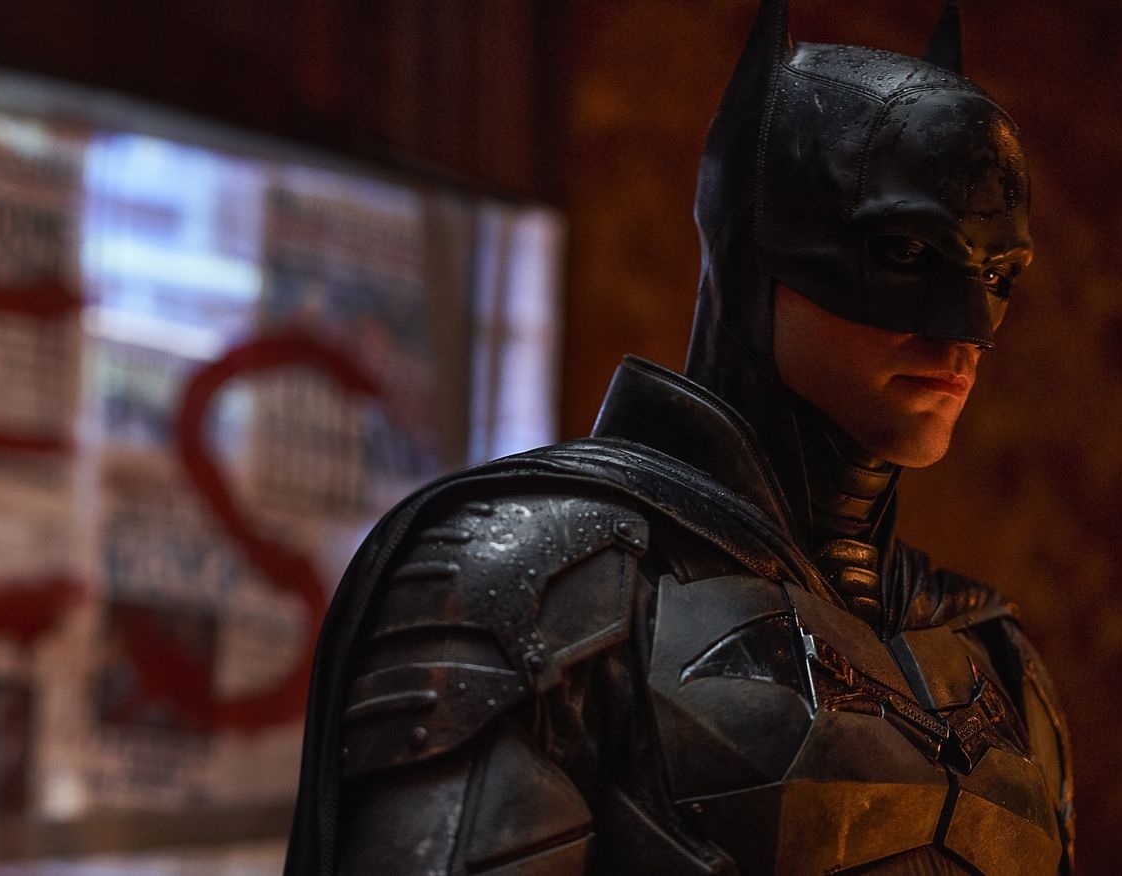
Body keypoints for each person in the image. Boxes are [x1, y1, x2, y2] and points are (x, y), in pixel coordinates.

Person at [285, 1, 1072, 873]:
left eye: (997, 274)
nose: (966, 333)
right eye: (908, 254)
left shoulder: (992, 654)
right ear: (756, 247)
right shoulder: (536, 579)